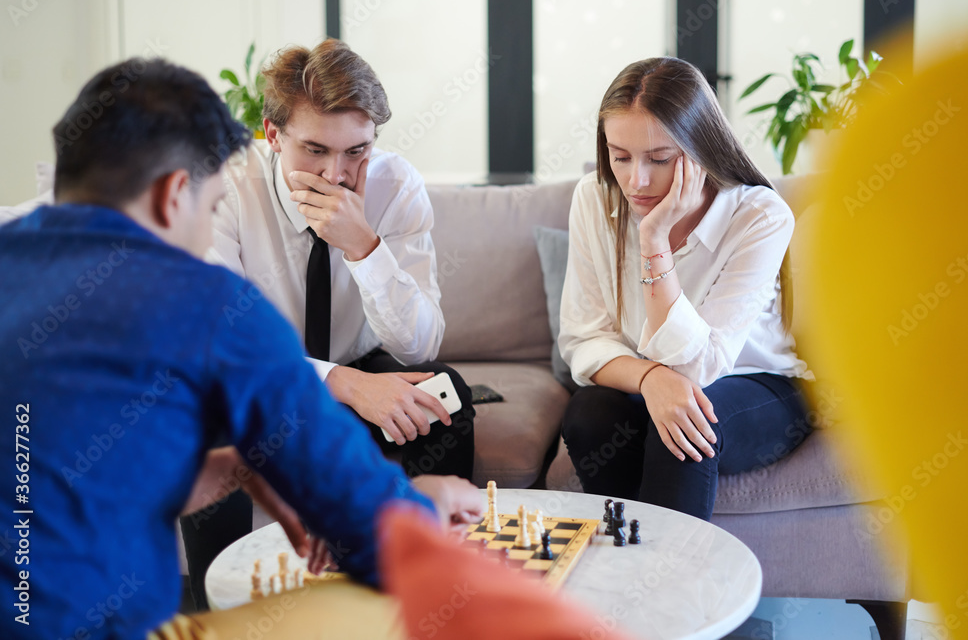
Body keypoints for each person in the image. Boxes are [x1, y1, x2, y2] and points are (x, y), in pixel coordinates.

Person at [0, 57, 481, 640]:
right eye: (207, 208)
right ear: (174, 195)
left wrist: (222, 468)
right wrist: (427, 503)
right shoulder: (205, 306)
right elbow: (358, 510)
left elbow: (53, 475)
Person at [182, 38, 479, 608]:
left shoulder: (396, 186)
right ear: (272, 134)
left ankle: (431, 596)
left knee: (446, 394)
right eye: (315, 150)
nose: (336, 175)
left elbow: (418, 344)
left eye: (356, 151)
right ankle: (218, 613)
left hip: (359, 366)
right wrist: (345, 384)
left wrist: (363, 246)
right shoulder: (222, 184)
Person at [558, 57, 814, 521]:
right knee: (589, 413)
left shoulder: (760, 215)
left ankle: (670, 569)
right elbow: (583, 339)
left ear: (701, 149)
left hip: (756, 381)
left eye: (659, 159)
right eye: (620, 156)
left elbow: (699, 366)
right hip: (649, 379)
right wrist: (649, 379)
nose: (636, 180)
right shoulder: (593, 198)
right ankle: (621, 556)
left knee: (684, 421)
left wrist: (654, 241)